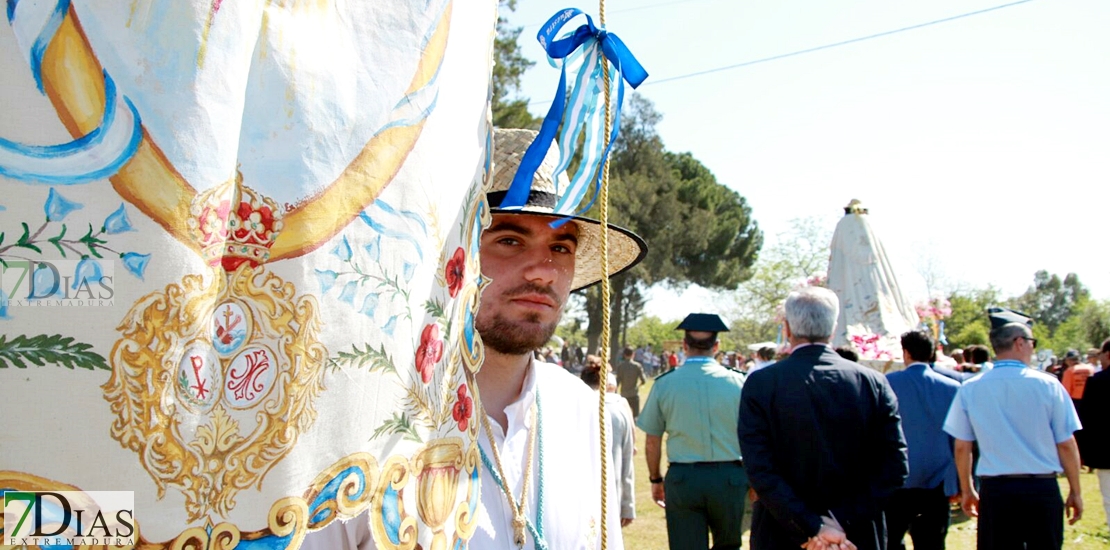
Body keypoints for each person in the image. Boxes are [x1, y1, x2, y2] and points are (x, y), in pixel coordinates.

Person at [302, 128, 646, 549]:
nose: (543, 270)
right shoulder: (366, 416)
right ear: (451, 256)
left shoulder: (582, 410)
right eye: (509, 239)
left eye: (561, 247)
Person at [737, 286, 907, 550]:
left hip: (785, 532)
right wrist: (837, 522)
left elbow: (759, 467)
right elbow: (894, 465)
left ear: (788, 328)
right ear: (834, 327)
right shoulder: (872, 382)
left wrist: (815, 525)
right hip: (853, 534)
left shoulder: (762, 383)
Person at [942, 307, 1083, 550]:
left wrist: (967, 489)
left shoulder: (971, 388)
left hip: (998, 491)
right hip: (1041, 488)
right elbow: (1066, 443)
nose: (1033, 347)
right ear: (1019, 343)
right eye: (1031, 341)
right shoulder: (1049, 385)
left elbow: (962, 446)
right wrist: (1075, 490)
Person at [637, 313, 748, 550]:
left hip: (684, 479)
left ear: (684, 346)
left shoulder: (665, 383)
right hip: (729, 478)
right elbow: (753, 436)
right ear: (717, 346)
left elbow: (652, 441)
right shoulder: (739, 382)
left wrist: (655, 479)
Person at [884, 331, 960, 550]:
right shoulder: (953, 388)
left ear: (906, 353)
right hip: (938, 481)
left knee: (890, 541)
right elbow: (960, 441)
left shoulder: (887, 383)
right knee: (932, 543)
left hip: (898, 479)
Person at [582, 365, 637, 527]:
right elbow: (627, 461)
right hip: (610, 500)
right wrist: (628, 505)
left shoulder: (571, 407)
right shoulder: (618, 408)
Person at [1078, 338, 1110, 531]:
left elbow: (1086, 418)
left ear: (1107, 355)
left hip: (1106, 450)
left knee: (1109, 495)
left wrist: (1082, 450)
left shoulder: (1097, 381)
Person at [615, 346, 647, 417]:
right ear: (633, 354)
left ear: (624, 355)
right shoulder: (637, 366)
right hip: (634, 393)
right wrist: (638, 386)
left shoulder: (620, 366)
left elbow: (617, 382)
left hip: (624, 394)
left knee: (624, 415)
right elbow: (643, 380)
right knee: (635, 416)